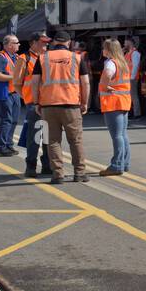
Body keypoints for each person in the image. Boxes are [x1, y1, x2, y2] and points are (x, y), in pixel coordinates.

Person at [29, 30, 91, 184]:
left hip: (48, 105)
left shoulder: (43, 58)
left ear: (55, 42)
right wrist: (84, 102)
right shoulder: (76, 58)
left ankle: (58, 175)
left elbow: (35, 82)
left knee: (53, 141)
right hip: (71, 105)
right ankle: (79, 173)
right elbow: (85, 83)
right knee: (75, 140)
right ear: (69, 43)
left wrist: (36, 102)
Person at [14, 31, 52, 178]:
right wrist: (27, 98)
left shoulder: (47, 58)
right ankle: (31, 166)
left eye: (47, 42)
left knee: (48, 136)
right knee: (34, 137)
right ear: (33, 43)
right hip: (33, 105)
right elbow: (17, 83)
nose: (46, 44)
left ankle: (47, 165)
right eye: (43, 42)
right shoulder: (24, 59)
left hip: (48, 103)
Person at [97, 39, 132, 176]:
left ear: (109, 50)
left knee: (117, 136)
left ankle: (116, 165)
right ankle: (125, 163)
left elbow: (107, 74)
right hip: (123, 102)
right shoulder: (122, 63)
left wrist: (104, 86)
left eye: (104, 48)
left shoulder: (110, 63)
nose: (102, 50)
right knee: (123, 135)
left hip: (113, 103)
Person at [0, 35, 22, 157]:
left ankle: (8, 145)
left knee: (13, 120)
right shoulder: (1, 58)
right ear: (9, 45)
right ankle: (1, 148)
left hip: (14, 93)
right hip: (4, 93)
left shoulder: (16, 57)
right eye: (16, 42)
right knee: (6, 120)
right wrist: (16, 77)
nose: (19, 44)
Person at [122, 37, 142, 118]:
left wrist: (132, 77)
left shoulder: (135, 53)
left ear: (130, 43)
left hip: (131, 79)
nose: (124, 45)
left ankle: (137, 114)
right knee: (128, 96)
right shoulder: (127, 54)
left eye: (125, 43)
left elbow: (135, 66)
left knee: (133, 95)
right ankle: (130, 112)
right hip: (127, 79)